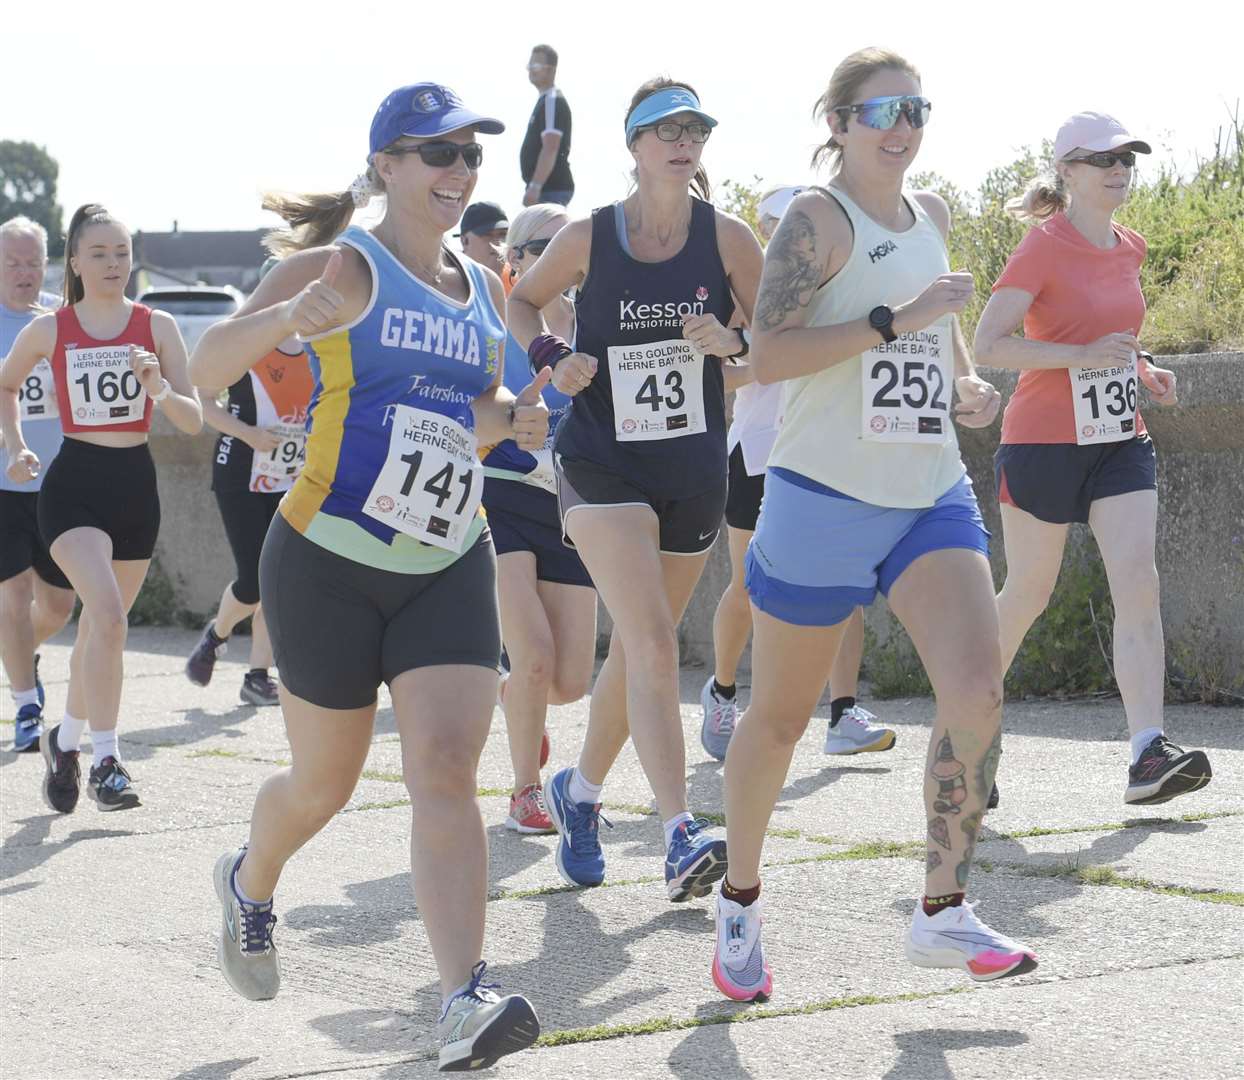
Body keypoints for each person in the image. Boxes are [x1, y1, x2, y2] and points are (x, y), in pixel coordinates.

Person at [189, 82, 546, 1072]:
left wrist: (509, 417)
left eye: (469, 154)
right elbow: (205, 359)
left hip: (444, 561)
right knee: (323, 786)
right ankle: (251, 882)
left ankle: (461, 1001)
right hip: (324, 563)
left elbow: (459, 415)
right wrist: (284, 323)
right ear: (386, 165)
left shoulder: (478, 288)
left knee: (442, 768)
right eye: (436, 153)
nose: (457, 172)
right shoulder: (343, 268)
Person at [710, 48, 1034, 1004]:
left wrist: (965, 381)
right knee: (775, 720)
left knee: (977, 691)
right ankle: (739, 895)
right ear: (840, 122)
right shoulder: (816, 220)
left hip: (929, 489)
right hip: (823, 496)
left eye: (917, 109)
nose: (904, 125)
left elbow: (941, 330)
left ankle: (942, 912)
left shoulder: (929, 213)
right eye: (883, 109)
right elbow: (768, 352)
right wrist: (891, 323)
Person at [509, 77, 762, 901]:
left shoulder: (730, 240)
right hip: (600, 461)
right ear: (633, 146)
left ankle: (577, 794)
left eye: (694, 128)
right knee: (653, 641)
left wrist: (731, 340)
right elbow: (523, 301)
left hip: (691, 468)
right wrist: (554, 359)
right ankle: (679, 829)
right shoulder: (590, 236)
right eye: (664, 129)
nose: (681, 141)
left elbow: (771, 345)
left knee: (638, 654)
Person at [975, 110, 1212, 808]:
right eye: (1103, 159)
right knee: (1028, 594)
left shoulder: (1131, 245)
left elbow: (1113, 337)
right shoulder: (1041, 247)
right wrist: (1078, 357)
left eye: (1127, 159)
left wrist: (1142, 368)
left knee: (1139, 581)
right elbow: (990, 343)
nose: (1119, 170)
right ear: (1068, 171)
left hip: (1117, 439)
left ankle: (1148, 752)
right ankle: (965, 735)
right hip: (1042, 441)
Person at [0, 203, 203, 812]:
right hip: (73, 486)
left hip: (135, 489)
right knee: (108, 616)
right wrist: (15, 447)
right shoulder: (51, 329)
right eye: (100, 253)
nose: (114, 263)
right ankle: (107, 760)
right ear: (76, 262)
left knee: (97, 630)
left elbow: (192, 422)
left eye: (122, 252)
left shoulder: (157, 325)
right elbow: (6, 384)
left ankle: (64, 742)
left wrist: (158, 388)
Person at [700, 185, 895, 761]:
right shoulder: (746, 298)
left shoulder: (841, 293)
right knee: (747, 585)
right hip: (759, 453)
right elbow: (720, 378)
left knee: (846, 585)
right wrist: (762, 359)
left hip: (824, 449)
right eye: (783, 227)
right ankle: (723, 690)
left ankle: (843, 712)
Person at [486, 203, 596, 833]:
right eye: (544, 247)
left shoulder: (599, 326)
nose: (562, 259)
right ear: (518, 262)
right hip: (498, 495)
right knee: (530, 659)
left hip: (570, 508)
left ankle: (515, 703)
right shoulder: (501, 327)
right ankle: (525, 790)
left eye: (570, 246)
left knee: (569, 682)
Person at [185, 258, 314, 706]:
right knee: (254, 580)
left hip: (293, 476)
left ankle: (257, 675)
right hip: (241, 471)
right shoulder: (246, 345)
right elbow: (203, 400)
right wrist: (248, 434)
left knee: (277, 579)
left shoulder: (320, 346)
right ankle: (217, 635)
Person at [0, 216, 75, 752]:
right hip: (3, 483)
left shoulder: (60, 316)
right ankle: (27, 706)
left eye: (33, 262)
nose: (25, 273)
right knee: (13, 595)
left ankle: (20, 653)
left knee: (57, 606)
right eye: (12, 263)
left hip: (61, 481)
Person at [521, 44, 573, 207]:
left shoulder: (552, 100)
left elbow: (551, 147)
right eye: (530, 65)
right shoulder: (546, 100)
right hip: (547, 189)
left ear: (551, 69)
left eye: (535, 65)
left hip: (550, 189)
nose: (531, 70)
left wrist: (535, 186)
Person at [458, 201, 509, 278]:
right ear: (464, 241)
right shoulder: (449, 283)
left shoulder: (517, 281)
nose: (497, 243)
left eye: (503, 234)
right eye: (487, 235)